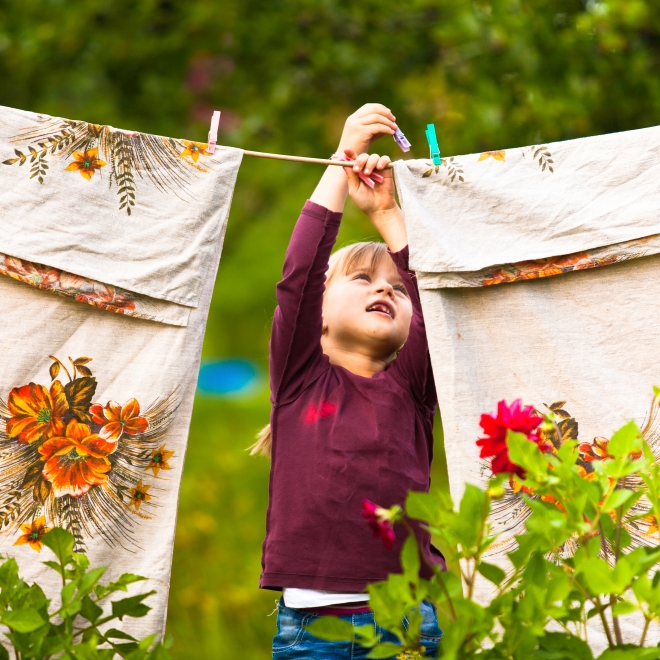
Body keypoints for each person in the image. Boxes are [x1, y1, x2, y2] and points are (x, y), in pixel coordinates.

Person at [250, 104, 444, 659]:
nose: (385, 290)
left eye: (395, 289)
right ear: (320, 317)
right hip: (313, 632)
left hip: (407, 622)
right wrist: (342, 162)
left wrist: (387, 213)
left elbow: (436, 297)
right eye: (361, 279)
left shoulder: (412, 388)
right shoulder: (299, 380)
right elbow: (299, 277)